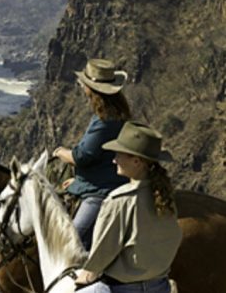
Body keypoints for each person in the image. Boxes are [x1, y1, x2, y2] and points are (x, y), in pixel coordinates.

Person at [75, 121, 182, 292]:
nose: (114, 160)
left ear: (136, 161)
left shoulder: (119, 200)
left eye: (119, 155)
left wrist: (86, 275)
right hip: (160, 286)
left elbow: (103, 251)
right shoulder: (166, 197)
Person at [52, 58, 131, 250]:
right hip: (102, 182)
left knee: (73, 241)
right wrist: (79, 183)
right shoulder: (114, 113)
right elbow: (101, 159)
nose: (81, 87)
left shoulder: (104, 121)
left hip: (102, 192)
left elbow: (82, 156)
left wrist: (61, 153)